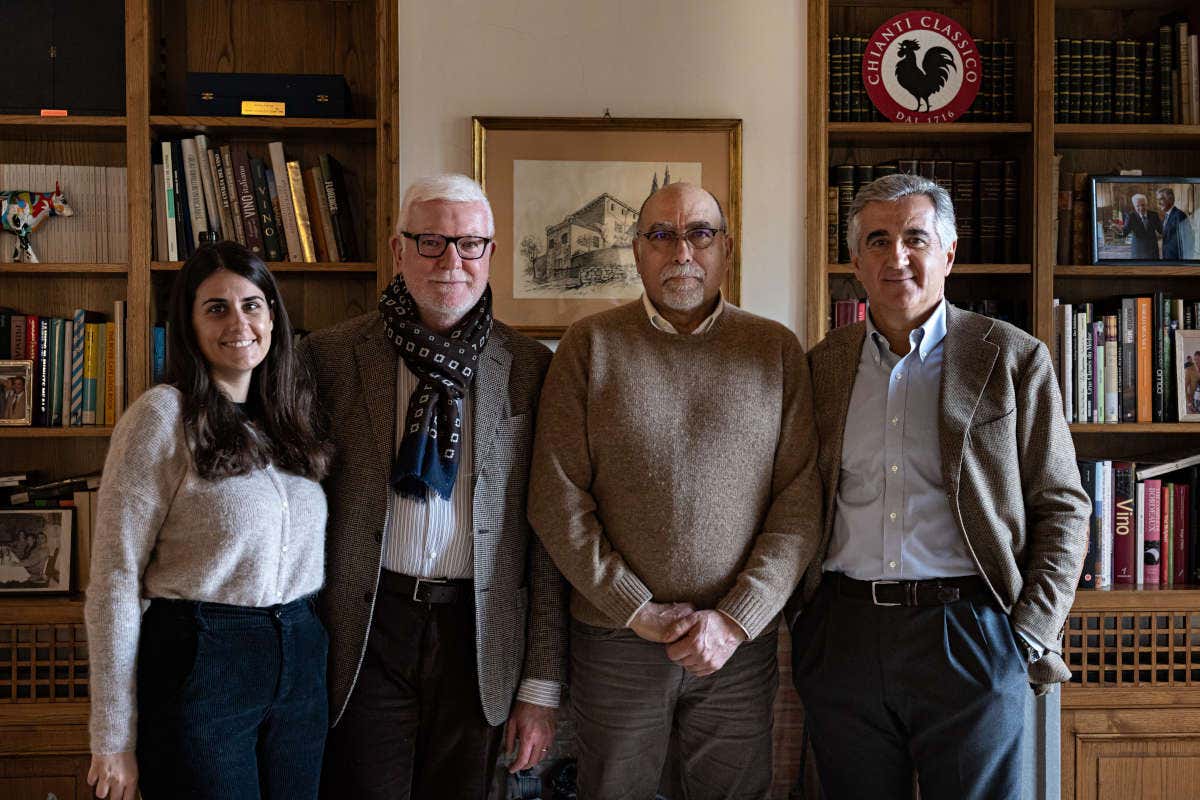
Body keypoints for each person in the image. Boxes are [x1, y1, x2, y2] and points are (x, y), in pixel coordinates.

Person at [790, 173, 1091, 799]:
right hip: (844, 636)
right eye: (877, 240)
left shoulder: (1012, 357)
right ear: (855, 261)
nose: (896, 256)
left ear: (948, 254)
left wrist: (1030, 632)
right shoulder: (822, 365)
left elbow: (1063, 505)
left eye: (915, 238)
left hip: (972, 634)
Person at [528, 181, 822, 799]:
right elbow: (557, 498)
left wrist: (736, 620)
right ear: (637, 252)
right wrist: (635, 608)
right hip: (615, 642)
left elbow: (799, 506)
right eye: (661, 235)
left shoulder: (775, 350)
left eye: (700, 234)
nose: (682, 251)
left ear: (726, 250)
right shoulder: (589, 345)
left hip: (736, 650)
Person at [302, 174, 567, 799]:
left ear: (490, 253)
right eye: (431, 242)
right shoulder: (330, 357)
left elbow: (547, 538)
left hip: (479, 633)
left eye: (470, 244)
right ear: (399, 250)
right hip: (366, 625)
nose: (452, 261)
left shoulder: (531, 368)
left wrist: (540, 686)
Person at [85, 241, 333, 800]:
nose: (239, 323)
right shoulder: (161, 416)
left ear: (273, 316)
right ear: (189, 325)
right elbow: (115, 579)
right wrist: (112, 737)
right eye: (216, 308)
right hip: (202, 659)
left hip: (299, 657)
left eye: (252, 305)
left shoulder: (289, 417)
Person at [1117, 192, 1162, 260]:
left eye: (1143, 205)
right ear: (1134, 206)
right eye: (1137, 206)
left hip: (1153, 251)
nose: (1141, 208)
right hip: (1138, 252)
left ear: (1146, 204)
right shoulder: (1131, 216)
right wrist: (1118, 230)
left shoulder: (1154, 215)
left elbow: (1161, 230)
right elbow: (1124, 232)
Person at [1157, 187, 1192, 261]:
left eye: (1161, 199)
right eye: (1158, 200)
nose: (1159, 203)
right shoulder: (1166, 216)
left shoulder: (1179, 215)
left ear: (1170, 199)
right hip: (1168, 257)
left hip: (1177, 259)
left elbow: (1187, 241)